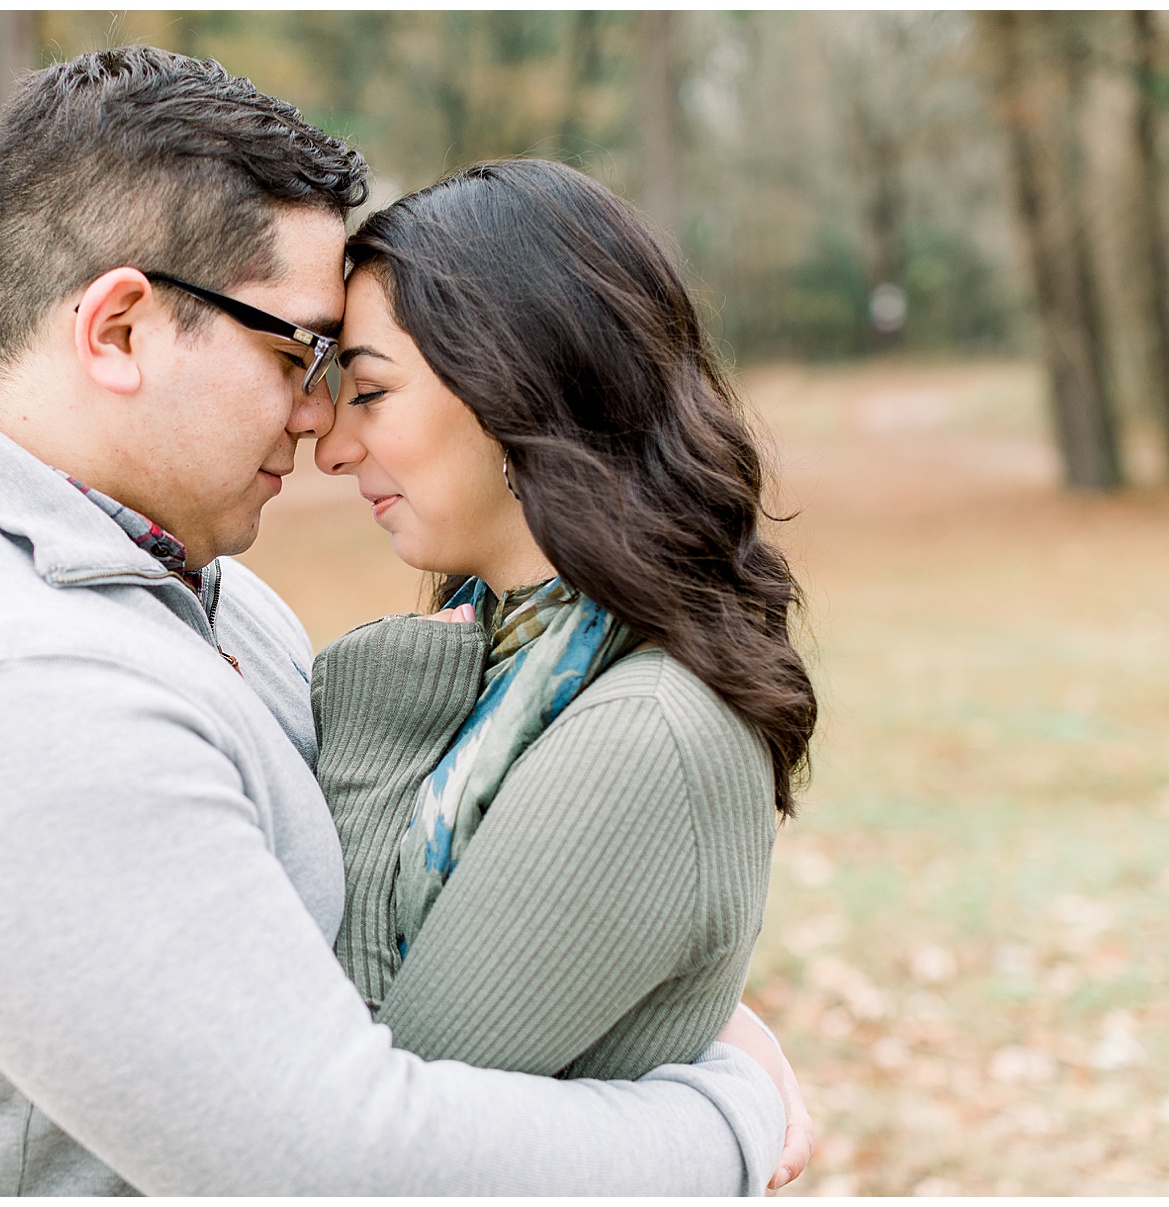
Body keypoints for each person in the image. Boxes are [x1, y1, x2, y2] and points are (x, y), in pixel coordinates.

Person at [0, 47, 804, 1195]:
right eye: (297, 350)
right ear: (120, 331)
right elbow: (332, 1169)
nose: (317, 419)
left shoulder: (172, 580)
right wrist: (730, 1114)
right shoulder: (0, 687)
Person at [310, 157, 819, 1146]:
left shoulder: (643, 733)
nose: (329, 444)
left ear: (512, 386)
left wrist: (368, 753)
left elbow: (358, 1139)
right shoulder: (514, 663)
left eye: (367, 391)